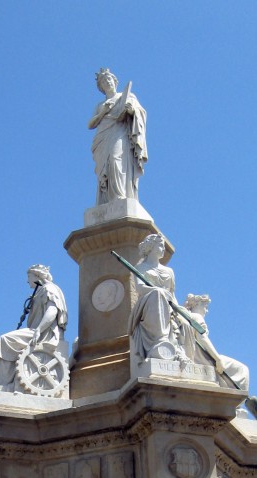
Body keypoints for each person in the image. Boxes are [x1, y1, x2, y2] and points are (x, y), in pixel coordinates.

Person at [0, 265, 68, 390]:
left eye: (29, 277)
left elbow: (52, 311)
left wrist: (39, 330)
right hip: (37, 331)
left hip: (45, 333)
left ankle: (5, 383)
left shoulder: (49, 288)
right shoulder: (40, 291)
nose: (27, 281)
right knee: (5, 341)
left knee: (4, 340)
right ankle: (8, 381)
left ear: (37, 276)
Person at [128, 234, 196, 362]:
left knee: (186, 321)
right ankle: (161, 341)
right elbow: (140, 288)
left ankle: (181, 353)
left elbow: (172, 295)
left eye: (164, 246)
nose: (163, 249)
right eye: (160, 246)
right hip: (147, 303)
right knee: (158, 294)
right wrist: (159, 291)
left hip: (168, 304)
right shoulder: (140, 268)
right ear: (150, 247)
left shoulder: (169, 271)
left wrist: (180, 311)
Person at [88, 68, 147, 205]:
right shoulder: (100, 105)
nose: (107, 82)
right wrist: (103, 112)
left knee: (116, 159)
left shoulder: (126, 96)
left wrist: (131, 110)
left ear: (115, 81)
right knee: (105, 167)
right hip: (103, 136)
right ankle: (107, 200)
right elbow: (90, 124)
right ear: (101, 87)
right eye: (104, 82)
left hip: (119, 131)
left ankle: (120, 195)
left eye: (109, 79)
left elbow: (140, 113)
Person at [183, 294, 250, 391]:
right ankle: (236, 401)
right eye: (205, 307)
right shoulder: (197, 317)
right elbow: (202, 338)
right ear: (197, 305)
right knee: (242, 369)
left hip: (195, 355)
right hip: (203, 358)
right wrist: (218, 360)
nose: (206, 310)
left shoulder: (185, 317)